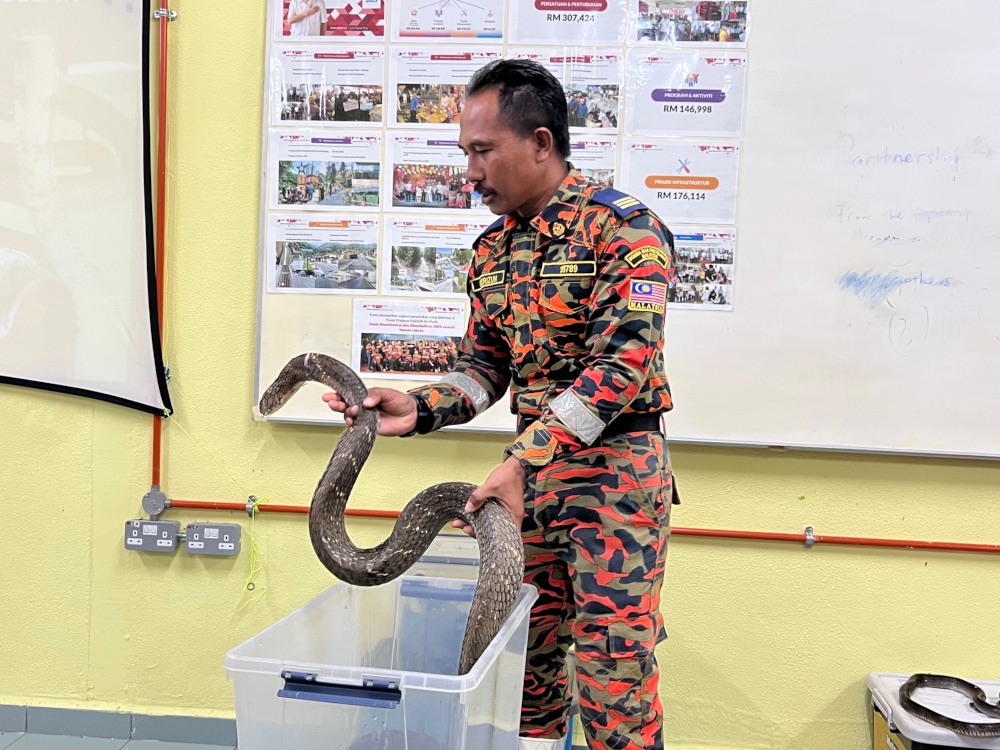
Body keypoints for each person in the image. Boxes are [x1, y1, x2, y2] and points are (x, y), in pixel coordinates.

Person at [324, 58, 679, 750]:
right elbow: (485, 371)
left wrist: (524, 459)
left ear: (540, 143)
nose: (470, 170)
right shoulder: (493, 252)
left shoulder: (624, 231)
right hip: (531, 487)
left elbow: (623, 367)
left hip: (616, 481)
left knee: (614, 681)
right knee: (527, 674)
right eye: (465, 153)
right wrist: (419, 405)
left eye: (482, 151)